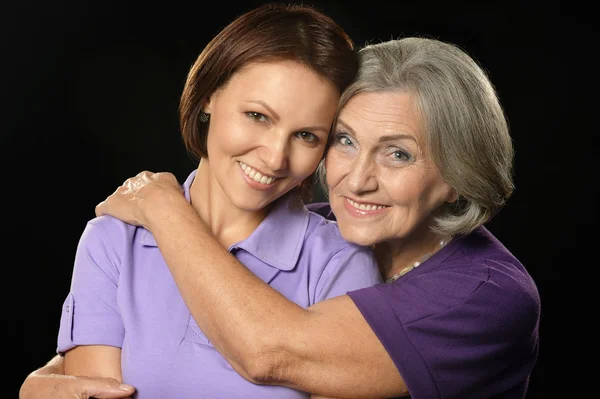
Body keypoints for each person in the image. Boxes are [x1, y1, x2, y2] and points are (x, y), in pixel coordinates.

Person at [21, 37, 540, 399]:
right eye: (344, 140)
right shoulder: (314, 225)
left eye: (398, 154)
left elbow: (270, 353)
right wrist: (46, 379)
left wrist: (161, 204)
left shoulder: (485, 295)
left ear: (456, 173)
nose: (356, 179)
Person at [19, 3, 385, 399]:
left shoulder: (342, 263)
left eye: (306, 136)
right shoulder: (112, 243)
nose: (276, 157)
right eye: (258, 116)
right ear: (209, 96)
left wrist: (166, 211)